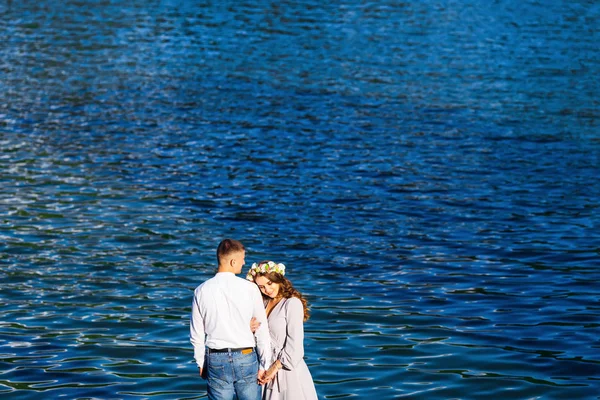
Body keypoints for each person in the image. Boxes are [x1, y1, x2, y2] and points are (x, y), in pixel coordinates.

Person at [190, 239, 272, 400]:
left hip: (216, 358)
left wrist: (200, 362)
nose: (244, 263)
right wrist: (265, 364)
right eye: (242, 259)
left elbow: (196, 334)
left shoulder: (201, 290)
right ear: (233, 261)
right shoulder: (250, 289)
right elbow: (262, 330)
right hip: (246, 355)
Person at [246, 261, 318, 400]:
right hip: (263, 368)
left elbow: (295, 346)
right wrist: (249, 328)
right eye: (261, 287)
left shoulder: (291, 303)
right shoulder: (263, 304)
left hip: (286, 371)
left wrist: (274, 368)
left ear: (278, 280)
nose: (267, 289)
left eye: (269, 283)